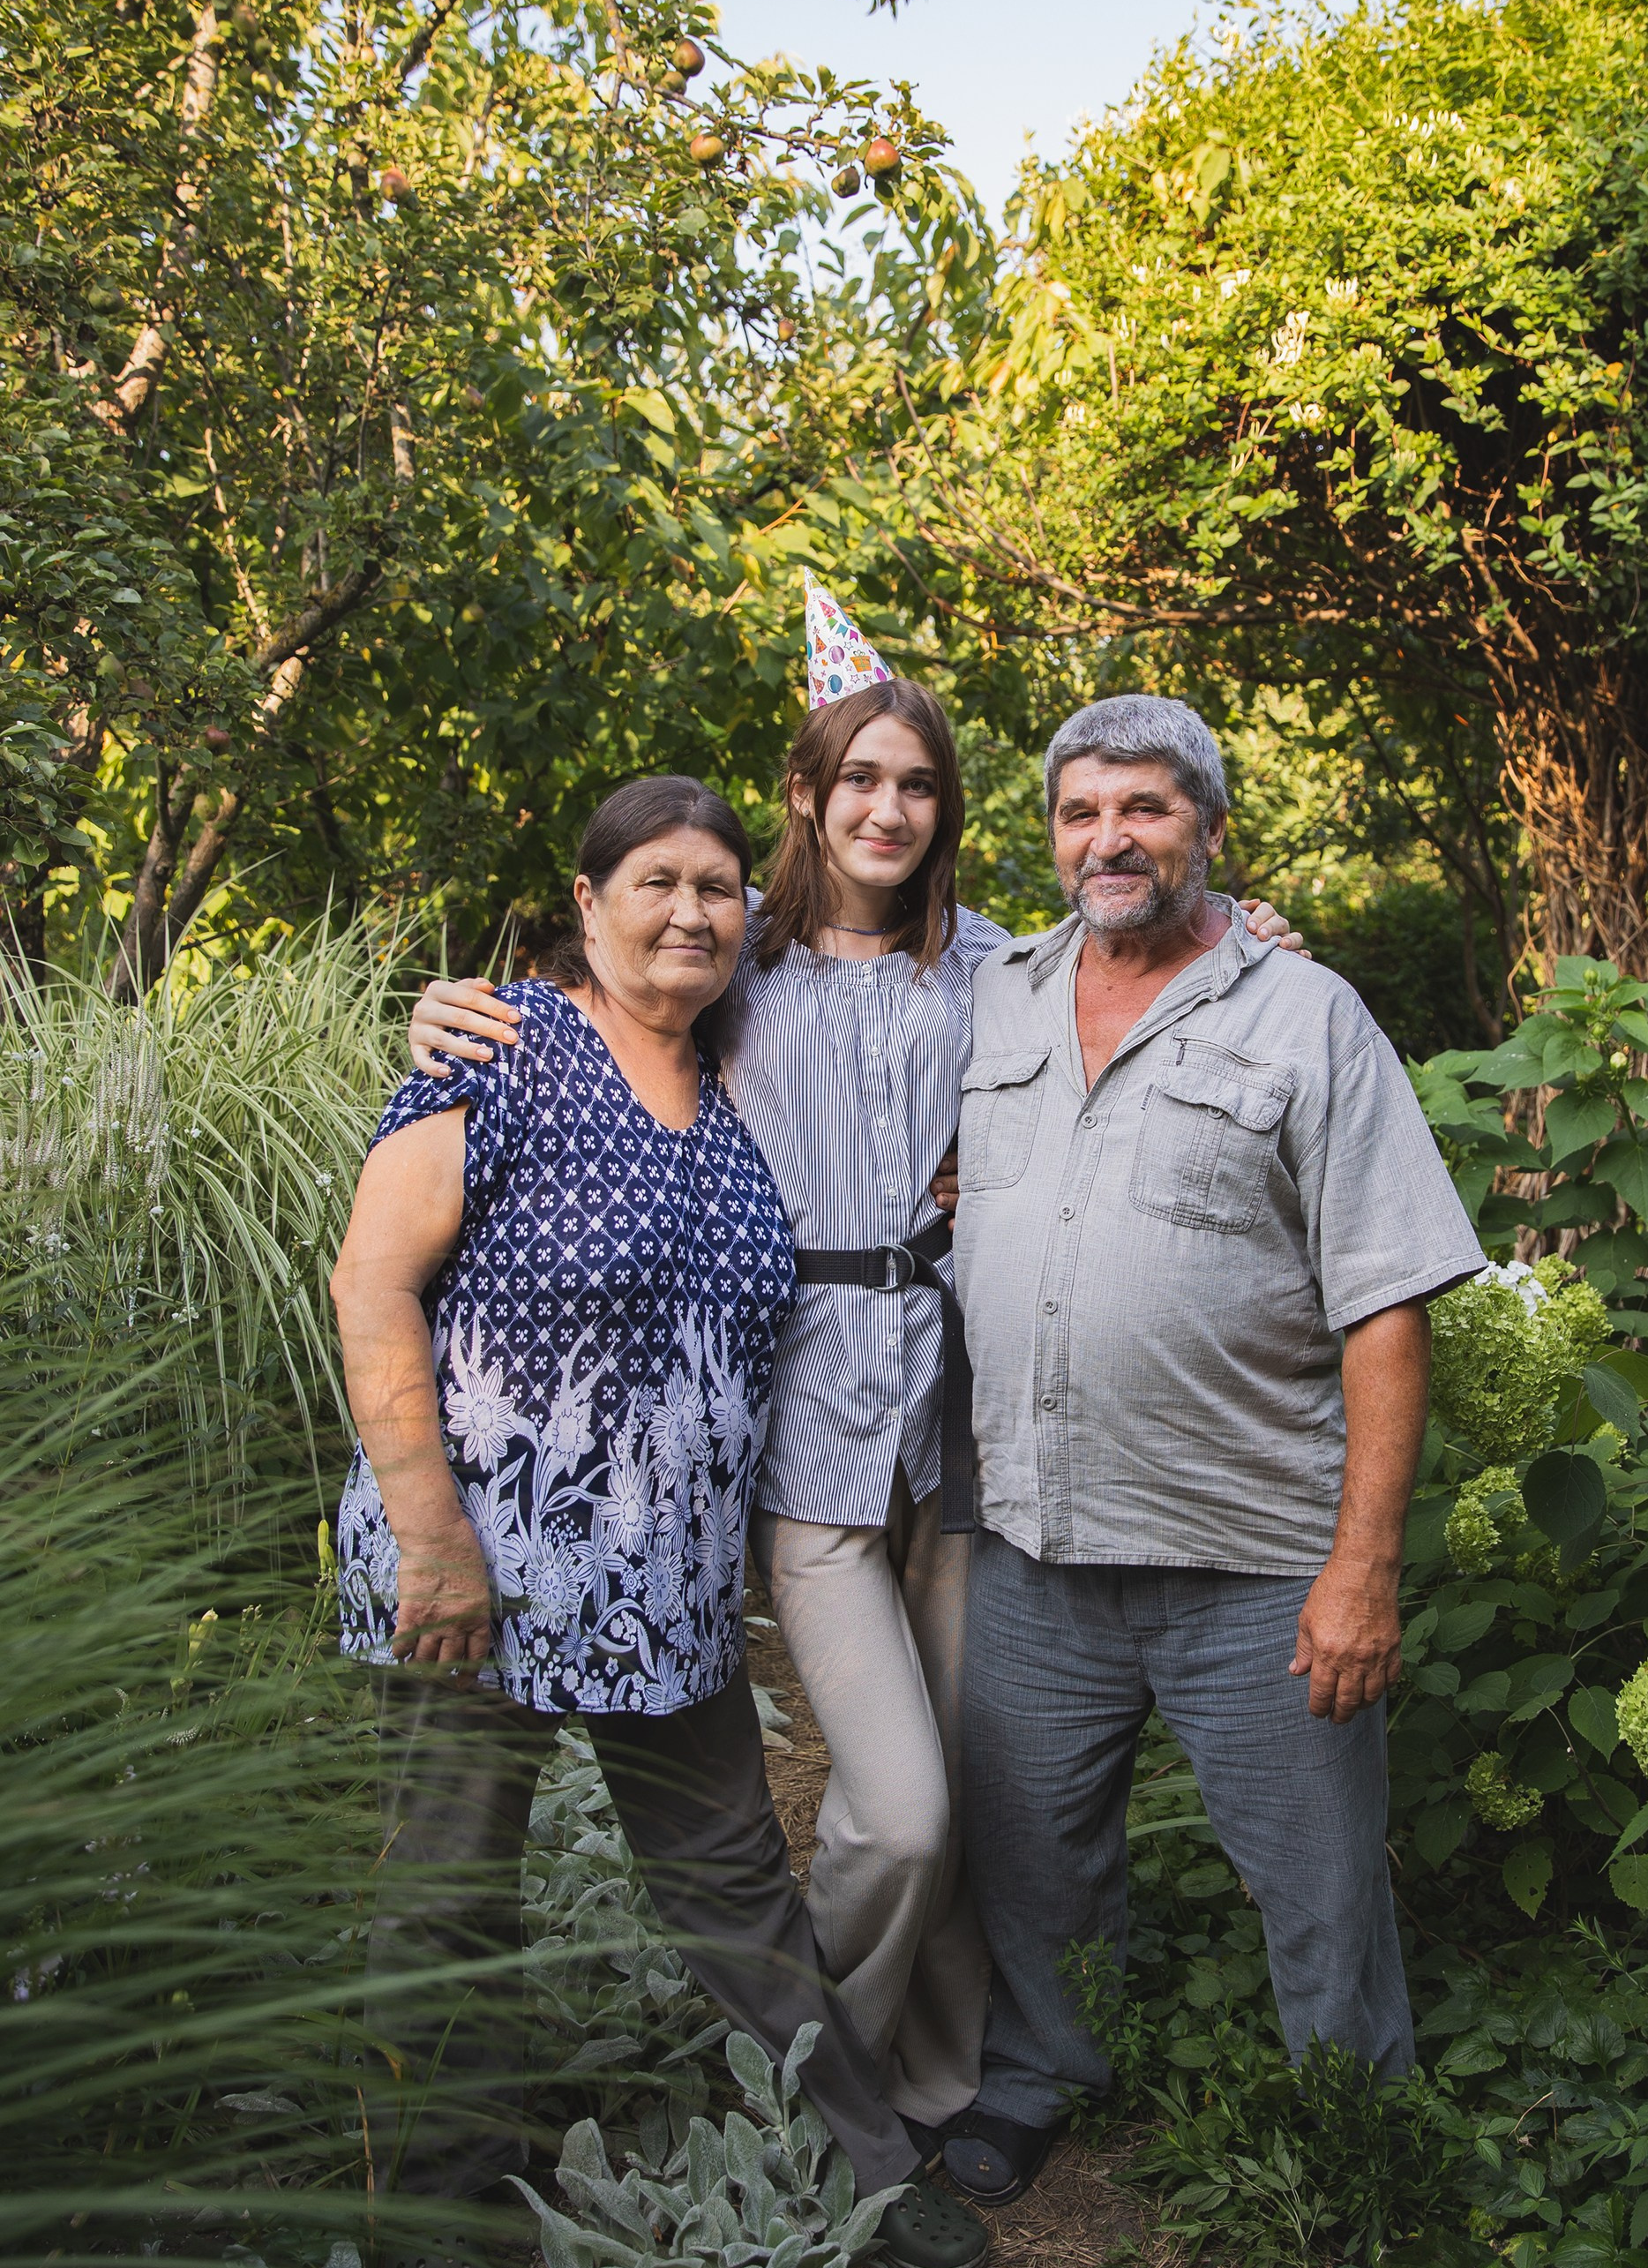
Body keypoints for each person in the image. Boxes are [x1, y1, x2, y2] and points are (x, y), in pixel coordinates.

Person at [402, 589, 1307, 2176]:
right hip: (803, 1425)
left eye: (919, 782)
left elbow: (1154, 953)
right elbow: (604, 1000)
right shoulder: (734, 959)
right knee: (895, 1808)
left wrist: (1256, 934)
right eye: (855, 780)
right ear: (809, 801)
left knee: (972, 1786)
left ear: (947, 811)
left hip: (968, 1424)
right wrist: (446, 1014)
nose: (887, 808)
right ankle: (803, 2074)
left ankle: (937, 2085)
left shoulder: (1004, 974)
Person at [333, 768, 988, 2268]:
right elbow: (374, 1285)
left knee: (735, 1888)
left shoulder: (742, 1076)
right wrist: (433, 1534)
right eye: (657, 884)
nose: (691, 911)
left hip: (664, 1587)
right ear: (588, 903)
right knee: (443, 1893)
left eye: (716, 889)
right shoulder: (499, 1050)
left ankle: (863, 2170)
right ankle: (437, 2225)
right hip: (474, 1571)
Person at [934, 695, 1487, 2207]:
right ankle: (1046, 2071)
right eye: (1078, 811)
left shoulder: (1308, 1018)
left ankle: (1354, 2144)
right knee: (1033, 1862)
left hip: (1255, 1558)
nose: (1107, 838)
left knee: (1314, 1890)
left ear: (1211, 831)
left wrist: (1361, 1565)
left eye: (1145, 808)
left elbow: (1385, 1306)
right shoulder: (999, 997)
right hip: (1039, 1547)